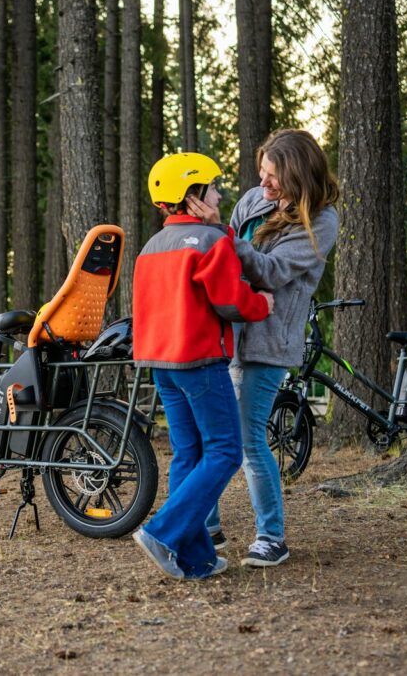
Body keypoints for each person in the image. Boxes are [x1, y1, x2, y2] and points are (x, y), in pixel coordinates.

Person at [187, 129, 340, 568]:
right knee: (213, 434)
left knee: (249, 438)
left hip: (272, 342)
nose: (264, 183)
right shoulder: (254, 200)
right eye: (262, 173)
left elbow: (272, 271)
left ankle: (272, 536)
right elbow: (224, 256)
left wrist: (219, 233)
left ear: (296, 173)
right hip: (231, 333)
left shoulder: (322, 219)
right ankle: (209, 526)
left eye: (272, 176)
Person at [131, 152, 273, 580]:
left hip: (161, 364)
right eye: (211, 187)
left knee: (189, 453)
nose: (217, 193)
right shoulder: (212, 242)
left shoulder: (151, 247)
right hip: (200, 361)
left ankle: (196, 558)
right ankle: (162, 532)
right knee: (226, 451)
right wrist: (260, 305)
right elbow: (230, 301)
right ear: (192, 195)